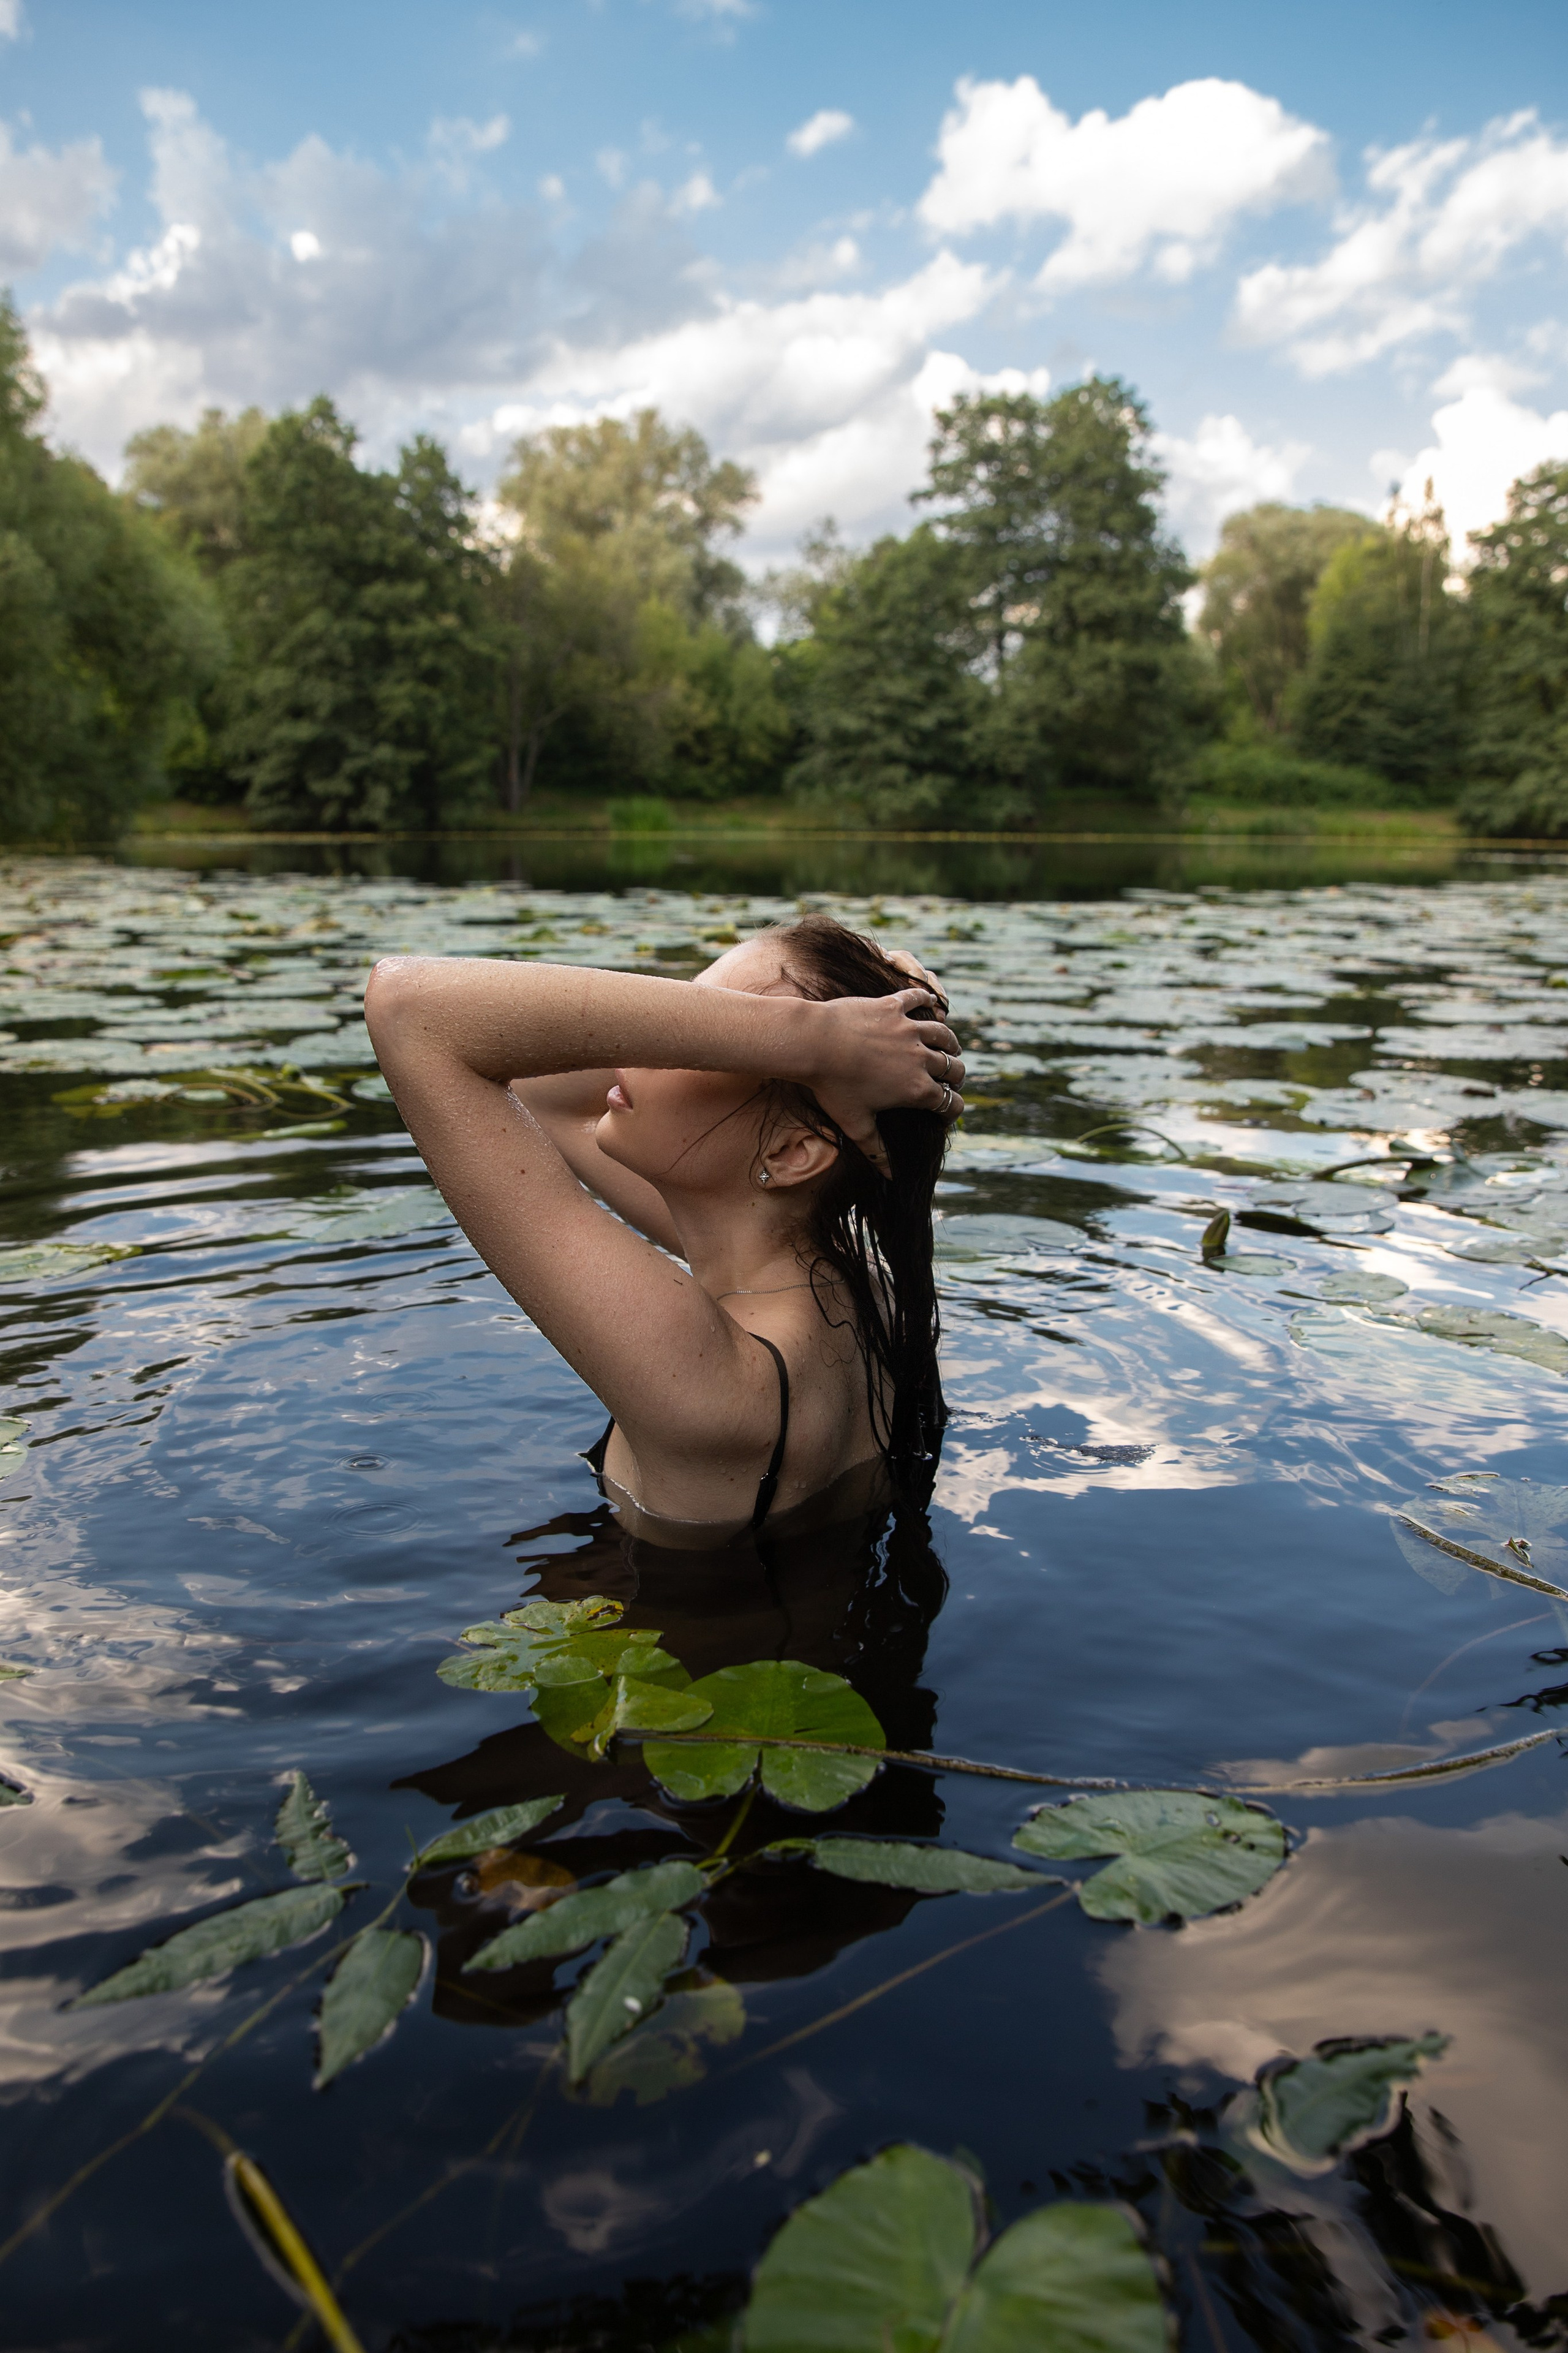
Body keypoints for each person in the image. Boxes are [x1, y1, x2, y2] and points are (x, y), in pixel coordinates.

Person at [363, 913, 964, 1539]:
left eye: (723, 1033)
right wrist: (830, 1031)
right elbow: (538, 1092)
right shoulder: (855, 1284)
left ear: (792, 1155)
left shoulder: (715, 1385)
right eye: (703, 1019)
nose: (645, 1050)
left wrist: (816, 1039)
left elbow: (411, 1012)